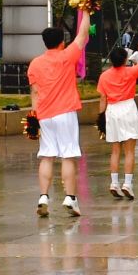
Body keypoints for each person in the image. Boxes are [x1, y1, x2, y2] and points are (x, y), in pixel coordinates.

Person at [28, 13, 93, 217]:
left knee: (47, 156)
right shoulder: (67, 56)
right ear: (62, 42)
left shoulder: (35, 63)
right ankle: (70, 198)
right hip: (65, 112)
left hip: (44, 115)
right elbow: (82, 34)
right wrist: (87, 10)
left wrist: (34, 117)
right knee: (68, 155)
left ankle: (43, 196)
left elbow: (34, 92)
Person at [96, 43, 138, 198]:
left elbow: (102, 98)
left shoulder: (104, 76)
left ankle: (114, 183)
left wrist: (101, 117)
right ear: (125, 59)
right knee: (130, 150)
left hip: (112, 110)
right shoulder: (131, 71)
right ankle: (127, 184)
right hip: (128, 108)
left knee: (115, 150)